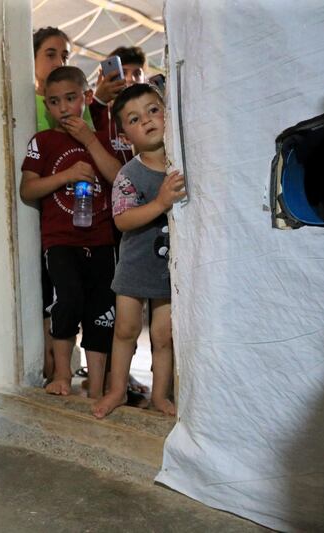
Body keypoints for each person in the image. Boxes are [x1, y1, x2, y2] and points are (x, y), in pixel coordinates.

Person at [20, 66, 121, 398]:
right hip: (61, 240)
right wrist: (66, 176)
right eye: (53, 102)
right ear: (45, 106)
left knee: (101, 308)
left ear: (86, 98)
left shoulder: (104, 140)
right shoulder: (43, 141)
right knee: (68, 299)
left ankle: (97, 382)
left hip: (102, 240)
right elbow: (28, 190)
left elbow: (120, 181)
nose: (62, 108)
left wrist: (89, 141)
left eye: (70, 99)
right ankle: (62, 373)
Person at [92, 84, 186, 419]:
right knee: (125, 331)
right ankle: (117, 389)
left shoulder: (181, 164)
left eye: (152, 110)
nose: (146, 120)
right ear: (125, 133)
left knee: (164, 336)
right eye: (134, 118)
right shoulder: (128, 175)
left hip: (169, 271)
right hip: (134, 268)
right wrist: (160, 202)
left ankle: (160, 395)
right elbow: (122, 220)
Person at [90, 46, 148, 166]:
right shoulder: (96, 112)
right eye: (123, 72)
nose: (131, 79)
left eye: (137, 73)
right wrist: (98, 100)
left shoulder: (153, 114)